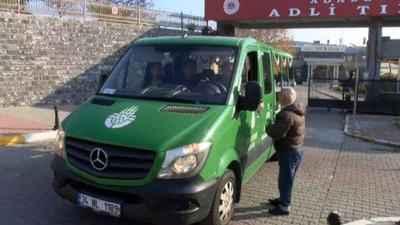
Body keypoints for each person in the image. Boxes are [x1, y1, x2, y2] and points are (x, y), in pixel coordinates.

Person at [265, 87, 306, 216]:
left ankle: (284, 207)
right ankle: (283, 199)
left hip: (288, 152)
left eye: (279, 97)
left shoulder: (286, 115)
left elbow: (277, 134)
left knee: (285, 181)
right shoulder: (297, 108)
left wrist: (268, 127)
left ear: (283, 99)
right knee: (288, 179)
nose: (277, 98)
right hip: (296, 149)